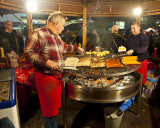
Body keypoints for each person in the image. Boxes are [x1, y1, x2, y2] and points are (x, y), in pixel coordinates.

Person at [24, 12, 85, 128]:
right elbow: (28, 52)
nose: (63, 28)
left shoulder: (56, 36)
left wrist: (78, 48)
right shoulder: (38, 34)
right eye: (62, 25)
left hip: (56, 78)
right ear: (56, 23)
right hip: (45, 79)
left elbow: (66, 47)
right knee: (49, 113)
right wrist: (46, 62)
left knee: (54, 109)